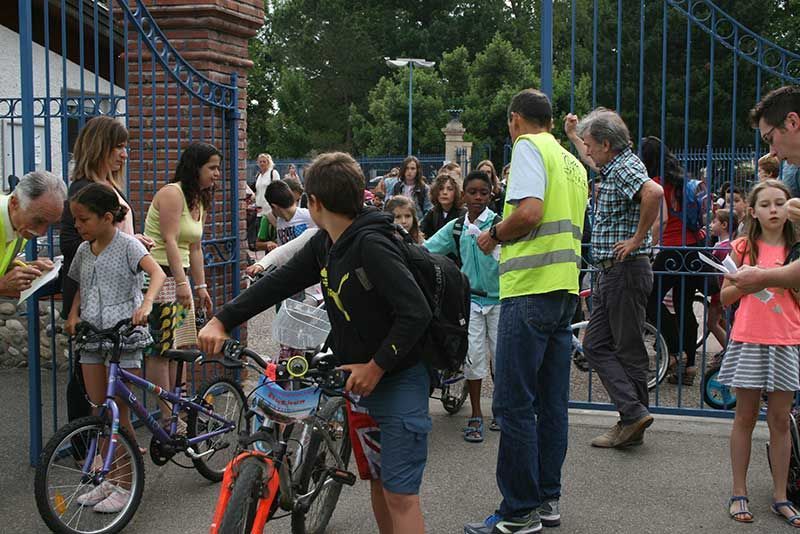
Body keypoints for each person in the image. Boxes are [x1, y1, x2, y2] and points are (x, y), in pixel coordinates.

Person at [199, 151, 433, 534]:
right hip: (358, 382)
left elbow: (416, 312)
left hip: (397, 380)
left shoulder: (371, 244)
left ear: (314, 202)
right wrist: (223, 320)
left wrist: (376, 367)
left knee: (401, 496)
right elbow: (279, 281)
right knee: (378, 481)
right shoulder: (327, 243)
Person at [465, 89, 587, 534]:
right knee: (552, 404)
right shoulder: (572, 163)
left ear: (516, 119)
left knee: (513, 403)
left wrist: (494, 233)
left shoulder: (527, 147)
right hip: (562, 291)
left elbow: (530, 213)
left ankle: (518, 511)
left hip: (528, 290)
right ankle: (547, 500)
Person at [565, 107, 664, 449]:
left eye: (591, 143)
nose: (587, 150)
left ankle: (631, 418)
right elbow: (591, 161)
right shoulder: (613, 165)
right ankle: (632, 416)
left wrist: (637, 239)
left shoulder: (625, 167)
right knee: (596, 345)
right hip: (612, 272)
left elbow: (654, 193)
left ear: (607, 144)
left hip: (624, 269)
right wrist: (574, 136)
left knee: (628, 348)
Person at [64, 183, 165, 513]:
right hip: (93, 333)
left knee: (120, 413)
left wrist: (147, 304)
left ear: (107, 218)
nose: (77, 226)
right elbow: (81, 284)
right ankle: (109, 478)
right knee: (100, 411)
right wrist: (74, 312)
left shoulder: (128, 246)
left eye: (83, 220)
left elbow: (157, 273)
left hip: (124, 334)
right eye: (75, 220)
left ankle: (127, 482)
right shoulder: (83, 250)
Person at [718, 179, 800, 526]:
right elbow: (724, 297)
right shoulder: (742, 247)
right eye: (765, 204)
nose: (773, 210)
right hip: (749, 339)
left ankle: (780, 496)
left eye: (779, 203)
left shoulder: (796, 250)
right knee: (744, 418)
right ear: (752, 210)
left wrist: (771, 279)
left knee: (781, 421)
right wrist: (745, 282)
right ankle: (739, 492)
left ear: (789, 207)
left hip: (787, 340)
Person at [143, 142, 217, 424]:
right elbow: (171, 240)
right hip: (161, 274)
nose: (216, 173)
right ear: (195, 167)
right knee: (162, 347)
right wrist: (182, 284)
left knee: (182, 344)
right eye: (211, 167)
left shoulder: (199, 200)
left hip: (180, 274)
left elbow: (195, 247)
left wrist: (201, 287)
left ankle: (180, 403)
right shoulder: (172, 193)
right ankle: (166, 414)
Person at [424, 171, 500, 443]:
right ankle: (477, 414)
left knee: (501, 357)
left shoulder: (499, 224)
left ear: (491, 194)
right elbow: (428, 248)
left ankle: (501, 409)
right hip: (472, 302)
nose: (478, 197)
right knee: (474, 358)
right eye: (472, 192)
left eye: (483, 192)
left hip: (500, 301)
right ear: (464, 195)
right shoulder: (457, 227)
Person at [60, 116, 154, 318]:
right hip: (97, 301)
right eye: (118, 147)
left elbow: (113, 232)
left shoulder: (110, 185)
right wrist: (125, 243)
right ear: (99, 147)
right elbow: (70, 243)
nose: (124, 155)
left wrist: (132, 241)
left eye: (125, 147)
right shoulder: (82, 189)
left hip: (121, 294)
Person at [641, 136, 712, 386]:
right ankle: (689, 367)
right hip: (694, 249)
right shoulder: (681, 180)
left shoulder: (655, 182)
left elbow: (661, 220)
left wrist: (649, 247)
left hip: (672, 251)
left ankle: (674, 351)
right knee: (684, 306)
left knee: (649, 298)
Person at [0, 170, 65, 297]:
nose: (41, 232)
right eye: (38, 221)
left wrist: (25, 267)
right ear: (14, 203)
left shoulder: (18, 224)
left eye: (50, 224)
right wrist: (3, 285)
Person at [706, 208, 738, 355]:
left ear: (724, 225)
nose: (711, 225)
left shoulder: (722, 248)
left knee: (712, 323)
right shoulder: (731, 245)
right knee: (723, 321)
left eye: (714, 222)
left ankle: (731, 352)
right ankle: (732, 346)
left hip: (719, 291)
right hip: (723, 291)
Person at [419, 173, 465, 239]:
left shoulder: (464, 214)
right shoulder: (432, 213)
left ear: (456, 192)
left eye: (450, 189)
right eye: (441, 189)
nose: (445, 192)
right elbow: (421, 232)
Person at [253, 153, 280, 244]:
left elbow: (277, 189)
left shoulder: (273, 173)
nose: (262, 163)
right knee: (261, 237)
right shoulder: (258, 175)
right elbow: (257, 191)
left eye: (264, 161)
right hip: (259, 210)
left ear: (269, 162)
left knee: (271, 236)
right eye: (260, 162)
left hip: (270, 210)